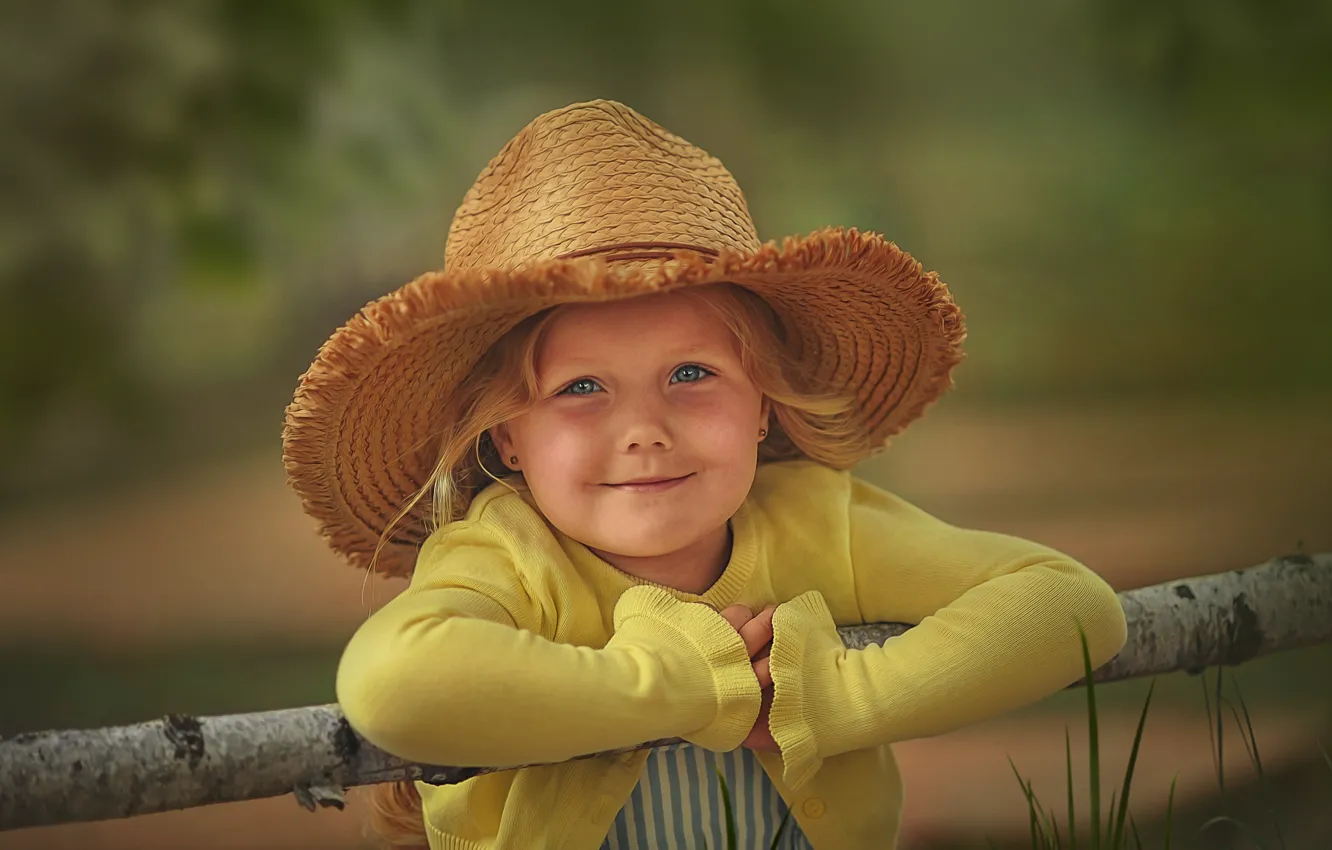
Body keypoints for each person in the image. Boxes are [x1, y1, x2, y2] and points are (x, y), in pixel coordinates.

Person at [281, 99, 1128, 850]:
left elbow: (1070, 603)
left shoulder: (814, 522)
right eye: (582, 389)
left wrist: (836, 698)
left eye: (692, 375)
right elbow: (391, 684)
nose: (646, 432)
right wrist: (683, 688)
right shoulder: (505, 558)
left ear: (762, 405)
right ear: (507, 441)